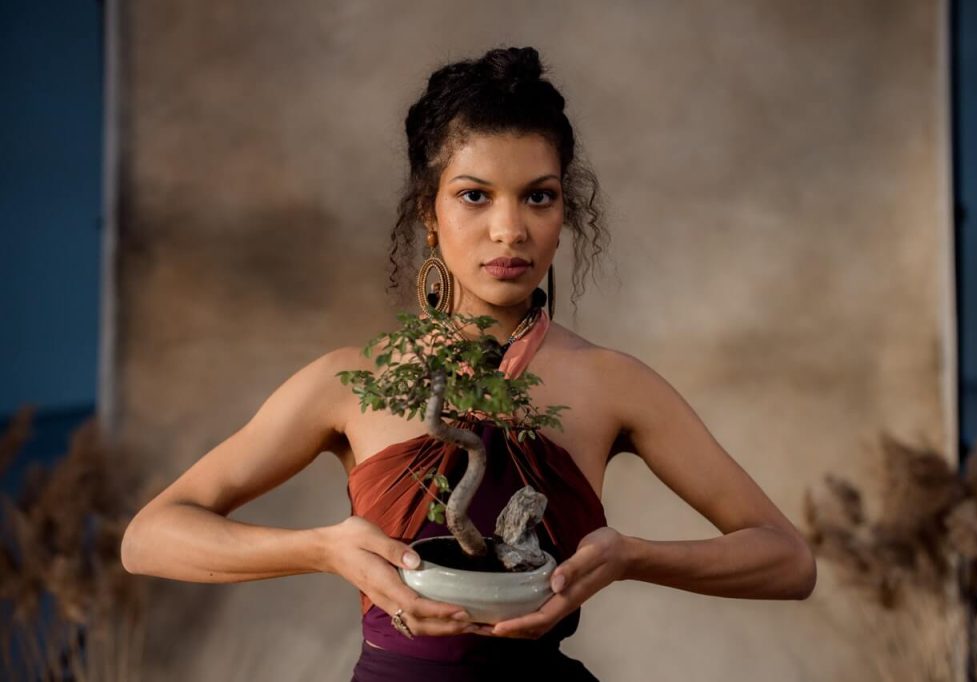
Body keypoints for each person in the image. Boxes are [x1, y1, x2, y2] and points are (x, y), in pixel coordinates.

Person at [120, 46, 817, 681]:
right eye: (474, 195)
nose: (509, 229)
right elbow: (150, 539)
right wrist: (324, 549)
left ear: (563, 211)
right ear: (429, 210)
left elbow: (788, 560)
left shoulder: (612, 383)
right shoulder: (347, 383)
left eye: (538, 196)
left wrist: (630, 556)